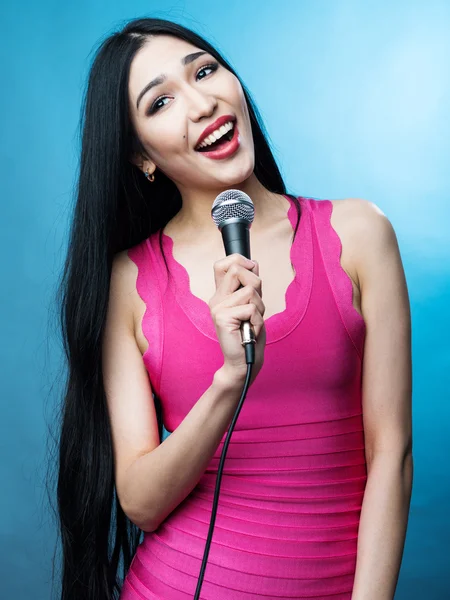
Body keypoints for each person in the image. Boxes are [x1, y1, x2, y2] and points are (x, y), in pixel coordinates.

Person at [52, 16, 413, 600]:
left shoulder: (360, 234)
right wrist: (229, 379)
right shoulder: (129, 281)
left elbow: (391, 454)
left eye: (205, 70)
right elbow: (141, 503)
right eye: (162, 101)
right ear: (140, 156)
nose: (200, 102)